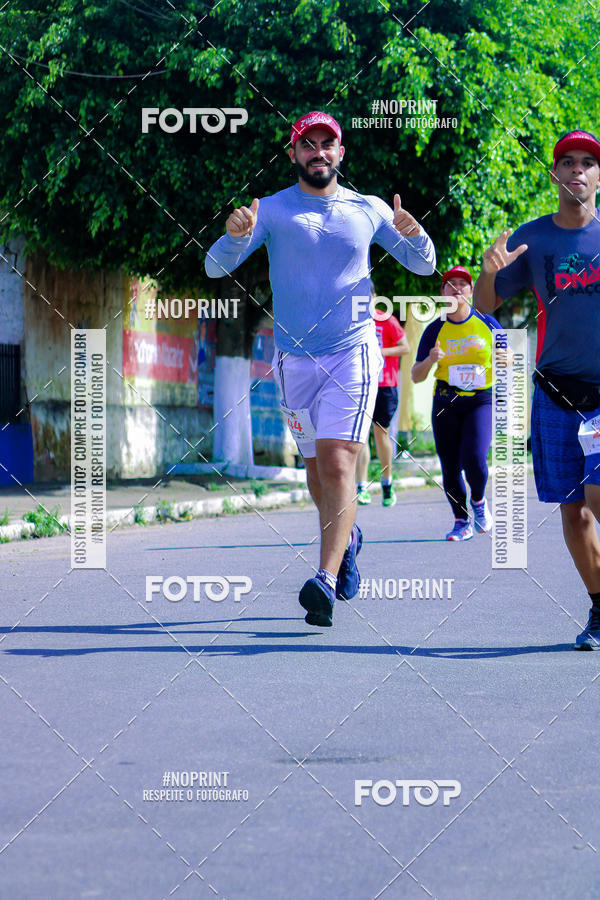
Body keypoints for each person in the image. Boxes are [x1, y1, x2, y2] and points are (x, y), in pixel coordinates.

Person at [205, 110, 435, 626]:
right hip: (293, 361)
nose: (318, 153)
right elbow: (214, 266)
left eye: (326, 143)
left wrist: (416, 234)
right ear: (293, 154)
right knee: (315, 471)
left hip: (352, 352)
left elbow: (423, 264)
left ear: (340, 152)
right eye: (307, 145)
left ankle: (325, 580)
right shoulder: (272, 210)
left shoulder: (368, 207)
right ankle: (348, 539)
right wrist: (235, 235)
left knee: (336, 463)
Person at [473, 128, 600, 650]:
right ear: (554, 174)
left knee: (598, 497)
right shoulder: (532, 239)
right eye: (567, 162)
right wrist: (487, 272)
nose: (577, 170)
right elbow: (485, 306)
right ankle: (599, 609)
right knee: (574, 508)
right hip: (555, 393)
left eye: (587, 162)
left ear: (598, 176)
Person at [411, 265, 498, 540]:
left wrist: (507, 358)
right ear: (443, 293)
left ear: (471, 291)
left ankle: (479, 502)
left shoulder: (487, 323)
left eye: (463, 284)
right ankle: (461, 521)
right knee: (449, 465)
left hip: (480, 400)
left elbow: (510, 357)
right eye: (451, 284)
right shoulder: (434, 329)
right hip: (446, 400)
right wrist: (430, 360)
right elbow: (416, 376)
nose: (457, 288)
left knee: (475, 457)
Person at [356, 281, 410, 507]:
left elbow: (405, 347)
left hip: (384, 385)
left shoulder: (386, 319)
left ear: (374, 296)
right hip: (359, 384)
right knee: (360, 435)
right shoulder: (352, 322)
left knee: (381, 434)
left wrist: (379, 351)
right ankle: (361, 486)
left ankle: (387, 483)